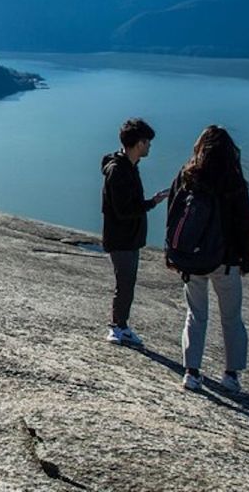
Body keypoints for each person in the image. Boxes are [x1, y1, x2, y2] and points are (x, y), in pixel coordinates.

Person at [169, 125, 249, 393]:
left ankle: (191, 373)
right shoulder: (232, 181)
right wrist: (248, 259)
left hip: (193, 261)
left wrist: (172, 252)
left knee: (195, 315)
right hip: (226, 261)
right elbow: (245, 223)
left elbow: (173, 216)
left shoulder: (188, 175)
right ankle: (231, 375)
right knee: (231, 318)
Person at [101, 118, 167, 347]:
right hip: (121, 239)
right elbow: (122, 210)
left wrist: (151, 202)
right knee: (125, 283)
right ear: (139, 143)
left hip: (129, 238)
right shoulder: (118, 171)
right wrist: (151, 203)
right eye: (147, 142)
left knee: (128, 283)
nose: (149, 147)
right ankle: (117, 327)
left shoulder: (128, 167)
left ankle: (122, 325)